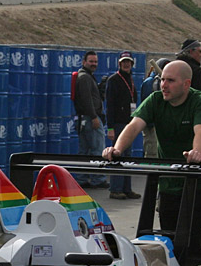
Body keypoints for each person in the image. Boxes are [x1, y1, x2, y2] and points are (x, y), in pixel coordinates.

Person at [103, 60, 201, 262]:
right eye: (162, 80)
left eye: (170, 81)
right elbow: (134, 126)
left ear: (186, 84)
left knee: (192, 239)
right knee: (168, 237)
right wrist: (117, 149)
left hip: (198, 183)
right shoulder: (155, 100)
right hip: (169, 182)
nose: (164, 85)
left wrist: (196, 153)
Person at [105, 51, 141, 200]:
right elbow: (110, 105)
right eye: (124, 62)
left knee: (127, 157)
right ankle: (115, 189)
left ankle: (127, 188)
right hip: (118, 124)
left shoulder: (130, 79)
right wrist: (110, 127)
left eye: (129, 62)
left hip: (128, 123)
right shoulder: (114, 80)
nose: (126, 64)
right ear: (119, 64)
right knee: (118, 155)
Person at [73, 50, 108, 189]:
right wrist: (94, 117)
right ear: (84, 62)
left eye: (96, 62)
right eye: (91, 61)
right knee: (96, 149)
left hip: (84, 119)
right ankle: (98, 179)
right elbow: (86, 99)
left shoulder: (87, 77)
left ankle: (82, 178)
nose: (94, 64)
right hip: (89, 118)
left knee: (85, 150)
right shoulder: (85, 78)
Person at [138, 57, 170, 159]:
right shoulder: (150, 82)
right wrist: (151, 123)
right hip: (152, 126)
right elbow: (147, 105)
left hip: (163, 124)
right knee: (152, 153)